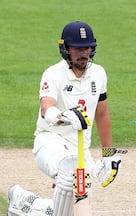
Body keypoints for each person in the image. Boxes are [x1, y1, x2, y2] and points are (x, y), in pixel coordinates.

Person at [7, 21, 124, 216]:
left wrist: (108, 154)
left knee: (77, 213)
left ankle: (23, 201)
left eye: (87, 48)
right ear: (65, 49)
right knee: (70, 172)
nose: (83, 53)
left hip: (80, 150)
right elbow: (46, 108)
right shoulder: (53, 74)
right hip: (49, 141)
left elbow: (102, 114)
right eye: (78, 49)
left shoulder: (99, 74)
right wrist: (63, 116)